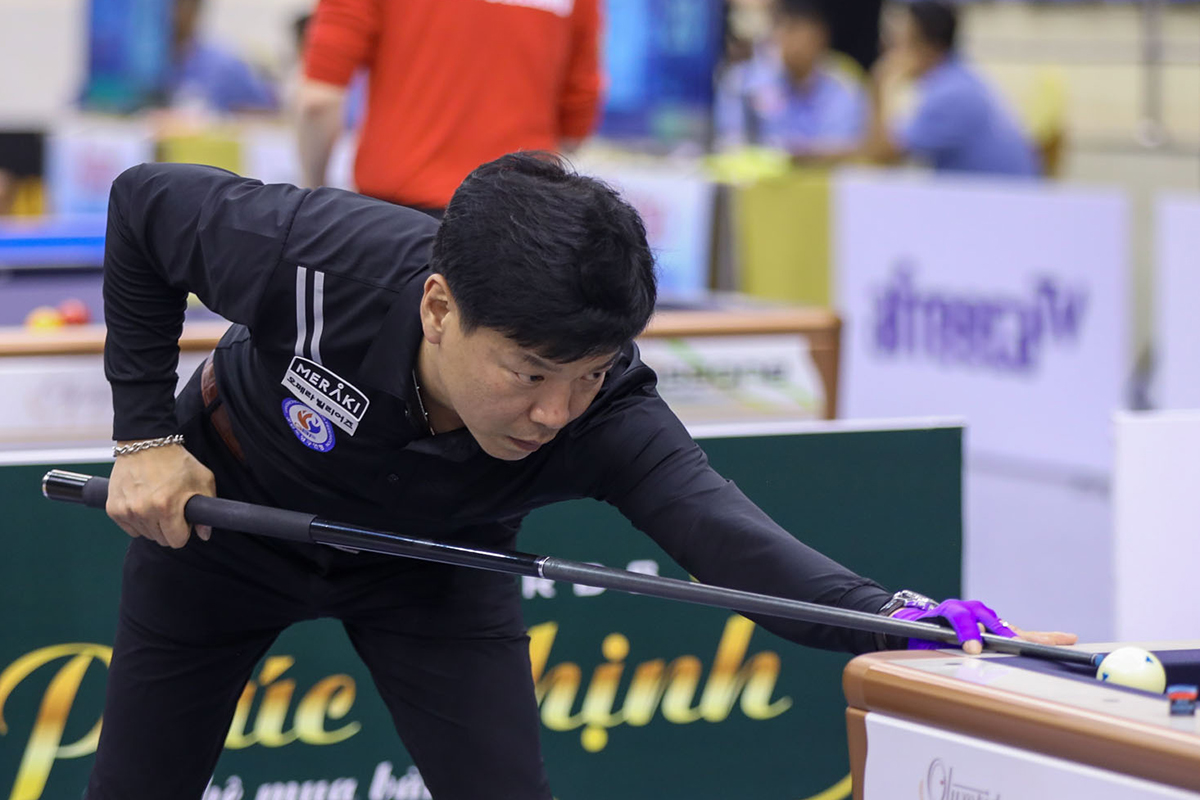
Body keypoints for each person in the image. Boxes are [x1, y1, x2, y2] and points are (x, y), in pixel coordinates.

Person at [91, 153, 1074, 799]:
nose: (558, 412)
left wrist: (910, 623)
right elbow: (142, 207)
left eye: (588, 373)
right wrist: (142, 436)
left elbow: (732, 543)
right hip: (224, 524)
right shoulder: (319, 261)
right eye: (529, 373)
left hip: (436, 561)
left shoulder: (608, 414)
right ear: (440, 307)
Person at [296, 0, 600, 214]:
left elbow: (318, 100)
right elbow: (578, 111)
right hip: (525, 215)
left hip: (399, 216)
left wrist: (316, 195)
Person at [858, 0, 1039, 176]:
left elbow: (880, 155)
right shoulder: (957, 80)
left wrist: (879, 83)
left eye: (897, 42)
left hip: (999, 202)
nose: (887, 51)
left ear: (928, 47)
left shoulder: (951, 95)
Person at [715, 0, 867, 156]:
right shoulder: (744, 82)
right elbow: (731, 145)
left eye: (799, 31)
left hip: (824, 178)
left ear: (821, 36)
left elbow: (849, 149)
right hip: (761, 178)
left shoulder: (845, 85)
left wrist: (796, 153)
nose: (791, 42)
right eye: (784, 29)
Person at [164, 0, 278, 115]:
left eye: (178, 6)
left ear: (195, 9)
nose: (171, 15)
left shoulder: (223, 65)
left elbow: (269, 110)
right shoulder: (159, 65)